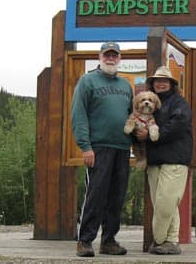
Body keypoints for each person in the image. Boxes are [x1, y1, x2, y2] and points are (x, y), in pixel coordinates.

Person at [71, 42, 133, 257]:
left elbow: (132, 116)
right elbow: (78, 114)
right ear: (100, 57)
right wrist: (85, 147)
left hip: (123, 148)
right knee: (95, 195)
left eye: (114, 55)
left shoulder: (126, 85)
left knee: (116, 196)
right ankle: (85, 240)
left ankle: (109, 241)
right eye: (107, 55)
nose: (110, 58)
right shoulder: (88, 81)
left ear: (119, 59)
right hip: (98, 148)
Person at [136, 66, 193, 255]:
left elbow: (179, 124)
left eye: (164, 80)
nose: (160, 83)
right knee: (165, 204)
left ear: (171, 84)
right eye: (157, 81)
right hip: (154, 161)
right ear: (152, 84)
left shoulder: (179, 103)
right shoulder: (149, 104)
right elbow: (137, 127)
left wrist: (154, 136)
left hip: (175, 160)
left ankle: (158, 239)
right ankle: (171, 241)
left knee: (165, 202)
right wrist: (139, 135)